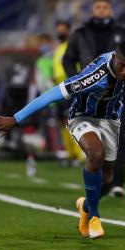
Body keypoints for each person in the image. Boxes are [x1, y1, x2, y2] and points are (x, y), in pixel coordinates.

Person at [0, 39, 125, 239]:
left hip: (110, 120)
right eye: (122, 66)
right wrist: (16, 118)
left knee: (107, 179)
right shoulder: (92, 78)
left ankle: (85, 207)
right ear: (115, 57)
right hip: (83, 117)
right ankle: (95, 217)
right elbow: (50, 96)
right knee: (95, 154)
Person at [63, 0, 125, 197]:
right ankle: (99, 182)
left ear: (111, 10)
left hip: (118, 95)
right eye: (98, 7)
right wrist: (77, 82)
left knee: (118, 137)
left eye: (105, 7)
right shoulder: (80, 33)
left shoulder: (124, 32)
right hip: (89, 97)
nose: (102, 10)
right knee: (94, 141)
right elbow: (68, 59)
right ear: (92, 10)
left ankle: (118, 182)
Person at [53, 20, 85, 165]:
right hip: (59, 88)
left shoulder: (74, 46)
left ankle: (80, 154)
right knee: (62, 122)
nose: (60, 32)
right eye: (58, 29)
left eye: (62, 29)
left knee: (74, 120)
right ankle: (70, 153)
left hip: (71, 87)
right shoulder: (59, 48)